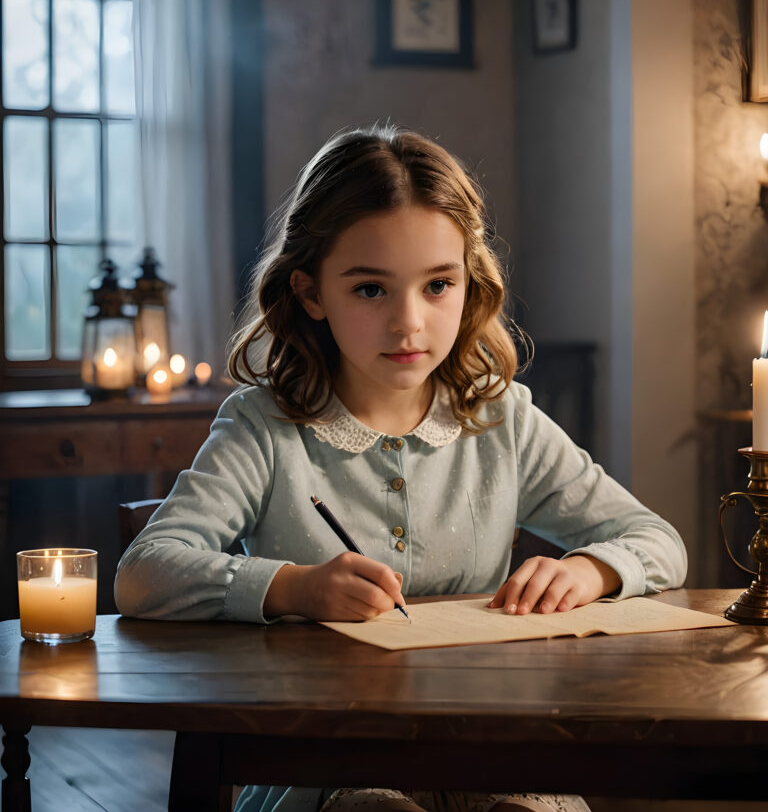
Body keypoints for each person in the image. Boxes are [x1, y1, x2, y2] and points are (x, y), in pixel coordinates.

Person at [115, 122, 687, 812]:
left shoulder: (501, 418)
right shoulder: (262, 426)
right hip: (322, 763)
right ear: (310, 292)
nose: (408, 323)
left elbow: (658, 542)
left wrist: (585, 570)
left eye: (437, 285)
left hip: (490, 752)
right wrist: (294, 588)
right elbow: (145, 573)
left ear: (467, 283)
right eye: (370, 290)